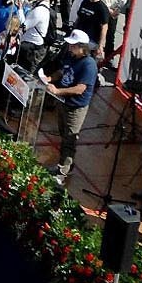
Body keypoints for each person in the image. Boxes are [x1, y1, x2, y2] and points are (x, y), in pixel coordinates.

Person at [44, 29, 98, 181]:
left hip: (75, 107)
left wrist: (58, 91)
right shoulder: (70, 56)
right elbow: (62, 71)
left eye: (73, 46)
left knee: (70, 138)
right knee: (63, 134)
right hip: (63, 102)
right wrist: (49, 78)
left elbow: (81, 88)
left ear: (82, 47)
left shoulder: (89, 65)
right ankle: (65, 164)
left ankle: (63, 171)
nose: (69, 48)